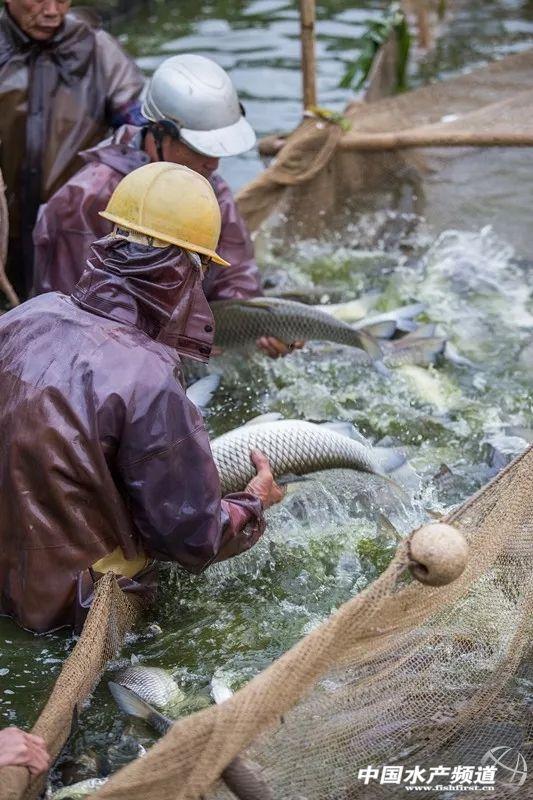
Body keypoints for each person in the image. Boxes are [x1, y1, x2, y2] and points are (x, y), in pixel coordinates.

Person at [0, 162, 284, 634]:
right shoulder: (147, 377)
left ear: (111, 241)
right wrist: (254, 502)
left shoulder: (25, 317)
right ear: (182, 272)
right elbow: (192, 536)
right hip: (69, 613)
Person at [33, 54, 302, 358]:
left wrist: (257, 329)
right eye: (200, 148)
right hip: (102, 354)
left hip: (182, 344)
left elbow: (235, 277)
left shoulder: (208, 188)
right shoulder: (86, 199)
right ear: (160, 133)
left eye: (218, 150)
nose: (213, 163)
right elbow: (70, 317)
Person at [0, 0, 145, 300]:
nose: (53, 11)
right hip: (4, 227)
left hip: (73, 229)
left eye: (62, 0)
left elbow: (137, 127)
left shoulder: (97, 49)